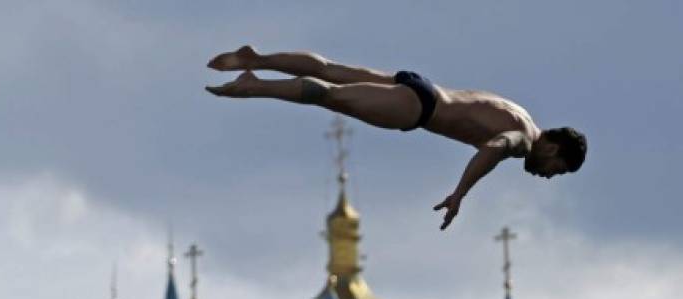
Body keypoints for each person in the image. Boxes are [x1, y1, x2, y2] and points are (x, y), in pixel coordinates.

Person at [207, 46, 587, 230]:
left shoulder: (520, 111)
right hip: (419, 108)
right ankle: (255, 85)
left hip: (421, 85)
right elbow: (493, 148)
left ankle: (257, 59)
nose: (548, 175)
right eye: (557, 168)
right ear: (552, 147)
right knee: (331, 96)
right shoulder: (521, 138)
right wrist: (460, 193)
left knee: (332, 69)